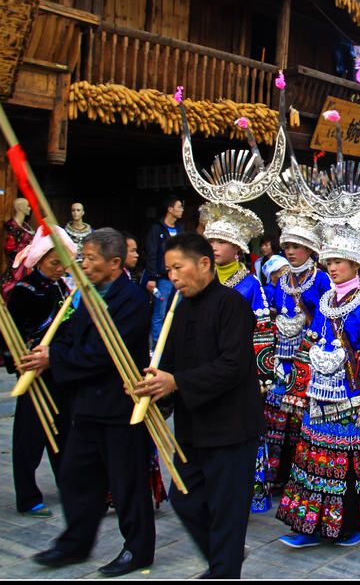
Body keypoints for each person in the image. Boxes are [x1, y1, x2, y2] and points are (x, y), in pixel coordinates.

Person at [132, 232, 265, 578]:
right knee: (185, 500)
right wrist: (155, 387)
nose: (172, 276)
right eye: (168, 269)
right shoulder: (180, 307)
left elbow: (233, 365)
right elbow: (172, 363)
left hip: (232, 428)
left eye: (178, 267)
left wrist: (177, 382)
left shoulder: (231, 304)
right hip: (193, 427)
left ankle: (224, 568)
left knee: (226, 510)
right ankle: (224, 558)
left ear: (204, 264)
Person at [31, 229, 155, 577]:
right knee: (74, 475)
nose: (83, 265)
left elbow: (102, 354)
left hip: (119, 405)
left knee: (126, 482)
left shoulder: (130, 299)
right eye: (82, 258)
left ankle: (137, 549)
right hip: (86, 404)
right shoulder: (86, 295)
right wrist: (48, 351)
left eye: (90, 259)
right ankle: (75, 543)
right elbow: (70, 336)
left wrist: (55, 359)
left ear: (115, 263)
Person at [276, 223, 360, 547]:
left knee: (350, 466)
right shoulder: (327, 299)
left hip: (352, 399)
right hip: (320, 393)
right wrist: (298, 391)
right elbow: (310, 344)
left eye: (338, 262)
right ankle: (310, 528)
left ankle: (350, 527)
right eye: (328, 262)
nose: (332, 268)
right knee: (314, 461)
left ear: (356, 264)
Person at [200, 203, 273, 514]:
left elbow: (262, 333)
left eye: (221, 242)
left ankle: (239, 493)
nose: (214, 247)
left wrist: (261, 376)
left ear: (238, 248)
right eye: (211, 241)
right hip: (205, 369)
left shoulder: (250, 285)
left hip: (238, 371)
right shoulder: (201, 278)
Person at [5, 225, 78, 519]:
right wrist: (23, 360)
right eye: (53, 262)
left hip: (60, 369)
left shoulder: (64, 286)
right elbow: (10, 336)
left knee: (64, 431)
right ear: (39, 259)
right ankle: (27, 495)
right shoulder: (24, 291)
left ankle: (67, 483)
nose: (59, 268)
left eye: (63, 262)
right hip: (35, 373)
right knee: (29, 436)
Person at [267, 210, 331, 491]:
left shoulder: (322, 280)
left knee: (299, 416)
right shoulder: (281, 281)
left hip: (307, 355)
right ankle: (277, 475)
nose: (290, 253)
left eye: (296, 247)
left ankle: (297, 473)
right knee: (276, 414)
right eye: (287, 247)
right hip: (282, 355)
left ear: (310, 249)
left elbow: (326, 318)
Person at [144, 195, 185, 347]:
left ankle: (172, 346)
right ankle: (156, 348)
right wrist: (152, 276)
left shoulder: (180, 228)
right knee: (159, 313)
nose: (181, 210)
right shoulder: (157, 228)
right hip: (162, 278)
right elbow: (152, 252)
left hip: (178, 278)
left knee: (176, 311)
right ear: (170, 209)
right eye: (179, 206)